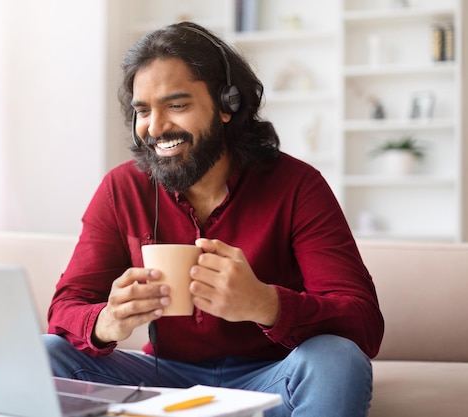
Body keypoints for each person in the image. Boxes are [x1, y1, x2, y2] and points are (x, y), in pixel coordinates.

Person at [44, 21, 384, 417]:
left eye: (176, 105)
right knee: (45, 353)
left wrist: (266, 303)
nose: (155, 128)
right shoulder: (121, 189)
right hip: (163, 379)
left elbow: (362, 322)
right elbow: (64, 309)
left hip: (272, 377)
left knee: (337, 358)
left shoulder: (298, 186)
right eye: (143, 111)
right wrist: (106, 321)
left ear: (227, 105)